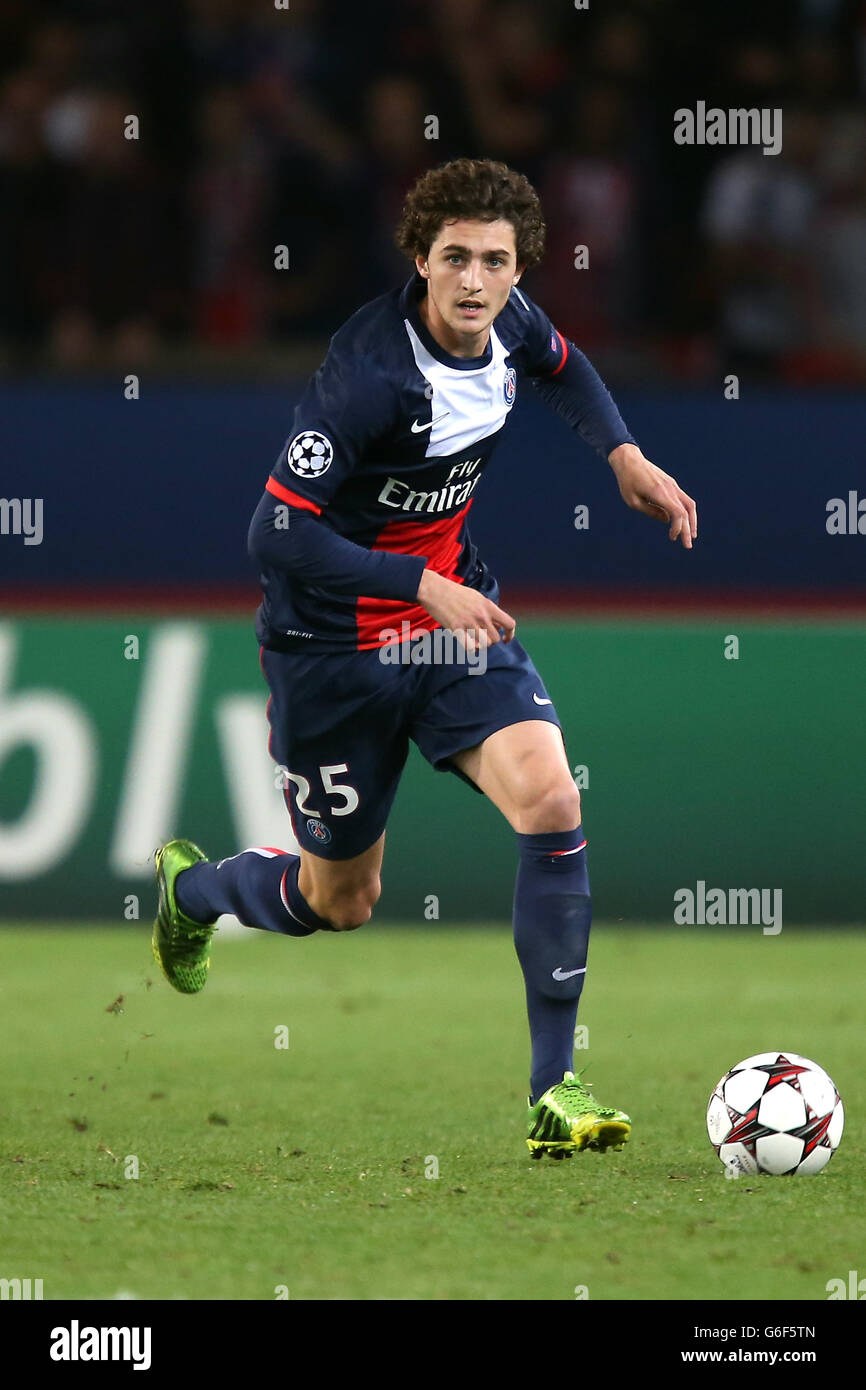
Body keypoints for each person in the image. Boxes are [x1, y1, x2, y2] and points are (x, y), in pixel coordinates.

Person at [152, 158, 697, 1159]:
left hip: (455, 625)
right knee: (339, 902)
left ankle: (554, 1087)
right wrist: (414, 584)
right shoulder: (367, 375)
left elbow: (564, 366)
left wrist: (620, 454)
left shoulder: (512, 323)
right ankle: (194, 893)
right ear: (419, 258)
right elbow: (274, 533)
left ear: (518, 269)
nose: (474, 282)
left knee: (550, 798)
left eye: (495, 262)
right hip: (332, 648)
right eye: (454, 258)